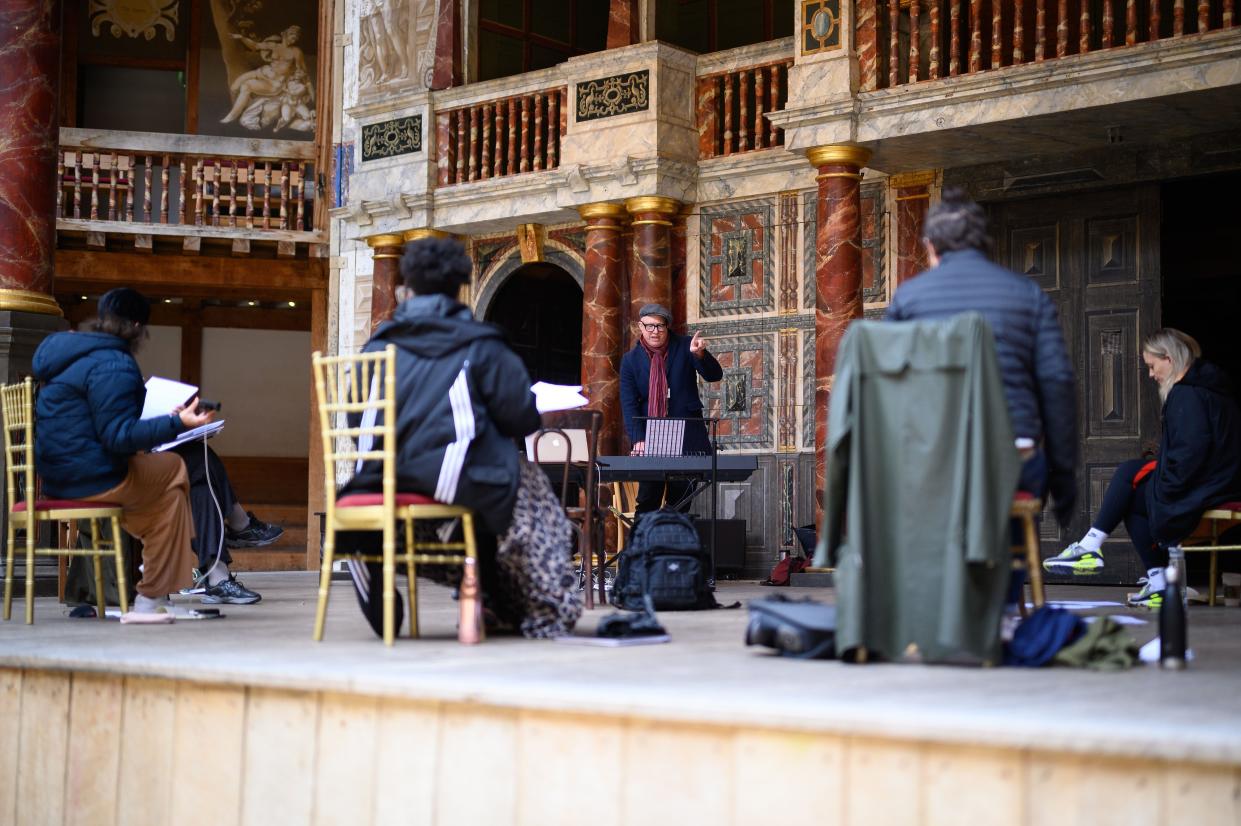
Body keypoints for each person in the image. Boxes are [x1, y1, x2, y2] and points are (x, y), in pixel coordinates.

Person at [341, 237, 582, 639]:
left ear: (407, 288)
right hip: (460, 483)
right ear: (461, 289)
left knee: (481, 481)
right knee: (529, 486)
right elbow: (521, 419)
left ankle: (377, 551)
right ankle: (535, 603)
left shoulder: (377, 346)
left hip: (375, 481)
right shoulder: (481, 343)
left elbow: (355, 418)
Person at [886, 187, 1079, 612]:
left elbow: (888, 389)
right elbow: (1057, 384)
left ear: (931, 247)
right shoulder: (1026, 295)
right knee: (1001, 479)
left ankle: (932, 606)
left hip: (929, 466)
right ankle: (1002, 609)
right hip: (1012, 464)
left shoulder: (908, 299)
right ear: (983, 245)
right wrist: (1063, 479)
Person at [32, 288, 215, 621]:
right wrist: (177, 422)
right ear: (135, 326)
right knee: (175, 467)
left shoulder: (71, 355)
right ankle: (157, 593)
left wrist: (171, 420)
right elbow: (118, 437)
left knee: (171, 499)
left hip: (57, 477)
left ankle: (155, 594)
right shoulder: (114, 363)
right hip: (93, 478)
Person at [1044, 329, 1241, 607]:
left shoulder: (1187, 394)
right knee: (1132, 488)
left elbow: (1190, 454)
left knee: (1130, 478)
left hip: (1209, 485)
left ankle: (1091, 547)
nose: (1150, 374)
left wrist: (1166, 485)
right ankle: (1151, 579)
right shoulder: (1210, 390)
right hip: (1218, 481)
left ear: (1169, 359)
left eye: (1151, 366)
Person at [619, 303, 724, 514]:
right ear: (640, 326)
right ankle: (644, 547)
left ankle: (675, 545)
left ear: (667, 327)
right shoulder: (630, 360)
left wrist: (700, 355)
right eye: (649, 326)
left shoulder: (687, 346)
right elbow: (629, 403)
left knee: (682, 500)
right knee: (648, 500)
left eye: (660, 326)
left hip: (686, 435)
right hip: (651, 436)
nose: (654, 331)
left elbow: (714, 375)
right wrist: (638, 439)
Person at [171, 442, 282, 604]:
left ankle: (218, 580)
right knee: (200, 455)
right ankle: (241, 524)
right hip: (130, 472)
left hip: (154, 462)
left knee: (202, 490)